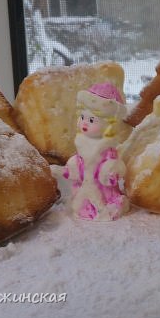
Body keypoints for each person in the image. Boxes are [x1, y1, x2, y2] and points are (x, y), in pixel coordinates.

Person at [63, 82, 130, 220]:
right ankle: (87, 207)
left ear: (108, 124)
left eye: (92, 120)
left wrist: (110, 171)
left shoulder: (107, 146)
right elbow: (79, 160)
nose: (85, 123)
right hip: (85, 183)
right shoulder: (80, 141)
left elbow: (113, 163)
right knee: (80, 200)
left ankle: (106, 207)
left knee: (103, 195)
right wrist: (73, 166)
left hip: (102, 184)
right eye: (82, 117)